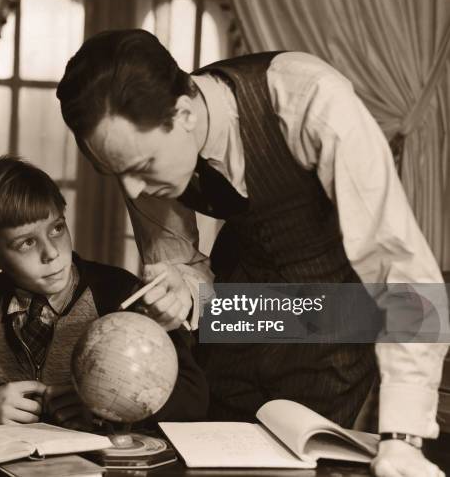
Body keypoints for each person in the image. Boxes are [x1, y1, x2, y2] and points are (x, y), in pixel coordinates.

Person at [56, 29, 449, 477]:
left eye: (142, 167)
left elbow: (406, 277)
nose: (132, 189)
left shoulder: (312, 100)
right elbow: (184, 270)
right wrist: (181, 297)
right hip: (238, 321)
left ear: (183, 113)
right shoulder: (142, 143)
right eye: (114, 173)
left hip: (333, 327)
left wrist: (402, 438)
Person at [0, 156, 208, 429]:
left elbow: (193, 398)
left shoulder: (120, 294)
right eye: (27, 242)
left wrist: (105, 405)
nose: (52, 252)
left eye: (57, 228)